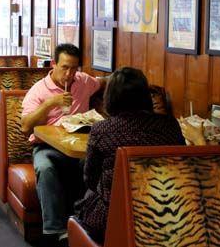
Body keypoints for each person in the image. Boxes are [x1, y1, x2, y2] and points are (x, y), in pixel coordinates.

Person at [74, 67, 185, 243]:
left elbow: (90, 179)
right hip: (164, 213)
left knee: (85, 199)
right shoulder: (170, 125)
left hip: (113, 216)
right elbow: (180, 168)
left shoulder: (102, 130)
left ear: (110, 97)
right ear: (145, 96)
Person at [19, 43, 104, 246]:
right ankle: (54, 230)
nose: (69, 73)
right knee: (45, 168)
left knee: (95, 165)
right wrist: (50, 103)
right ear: (54, 64)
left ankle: (85, 222)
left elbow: (103, 82)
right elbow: (25, 127)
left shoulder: (83, 82)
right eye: (65, 67)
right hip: (46, 146)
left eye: (74, 68)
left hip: (77, 146)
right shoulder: (38, 90)